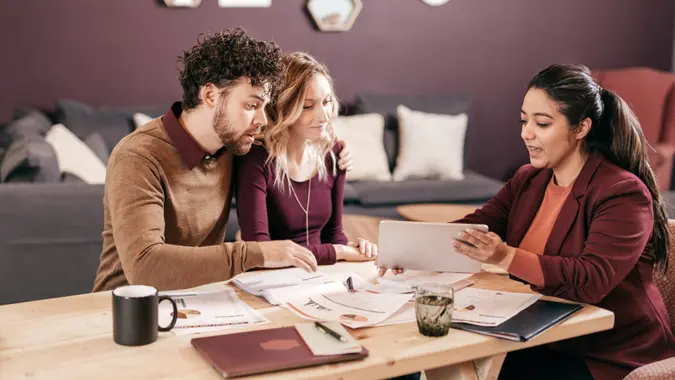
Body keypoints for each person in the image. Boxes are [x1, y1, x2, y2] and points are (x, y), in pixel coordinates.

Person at [380, 64, 675, 380]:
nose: (526, 133)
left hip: (607, 351)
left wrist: (504, 256)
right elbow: (476, 228)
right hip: (543, 333)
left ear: (581, 128)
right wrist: (408, 252)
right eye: (524, 121)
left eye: (542, 123)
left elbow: (591, 280)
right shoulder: (528, 180)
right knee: (426, 355)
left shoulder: (622, 193)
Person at [92, 28, 355, 292]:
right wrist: (257, 253)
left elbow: (290, 136)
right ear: (210, 96)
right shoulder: (139, 156)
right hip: (122, 309)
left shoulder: (235, 143)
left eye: (264, 107)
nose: (263, 120)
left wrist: (337, 149)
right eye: (251, 106)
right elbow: (145, 267)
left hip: (200, 301)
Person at [234, 52, 377, 265]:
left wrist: (354, 249)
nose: (324, 115)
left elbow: (334, 235)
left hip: (321, 275)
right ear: (282, 108)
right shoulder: (256, 160)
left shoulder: (334, 154)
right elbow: (259, 251)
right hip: (273, 280)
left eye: (327, 102)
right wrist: (339, 252)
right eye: (308, 106)